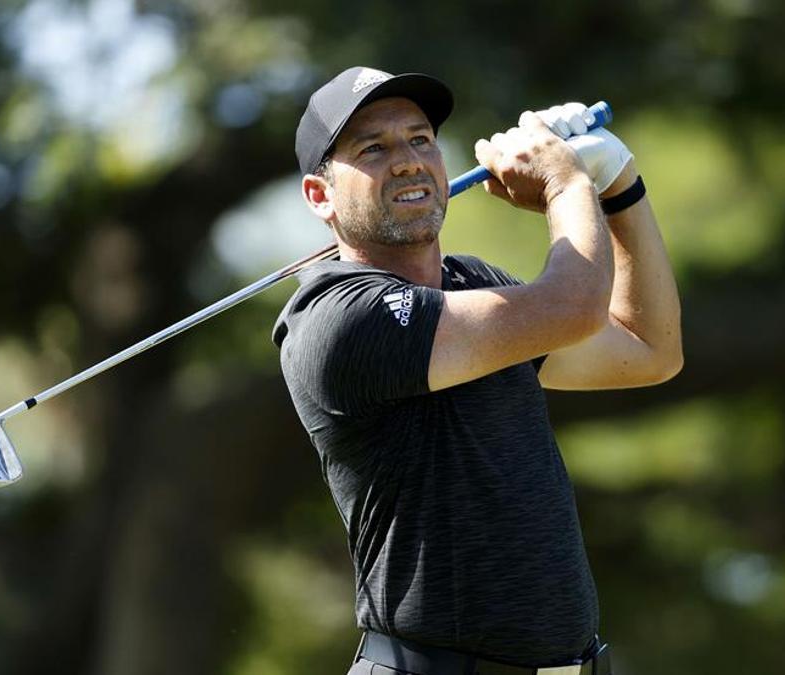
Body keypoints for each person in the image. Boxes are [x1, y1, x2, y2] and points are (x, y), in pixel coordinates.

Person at [272, 66, 682, 675]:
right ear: (320, 196)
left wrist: (619, 184)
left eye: (420, 139)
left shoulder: (475, 283)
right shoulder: (336, 317)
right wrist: (565, 183)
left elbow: (650, 349)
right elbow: (573, 306)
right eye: (373, 149)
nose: (409, 161)